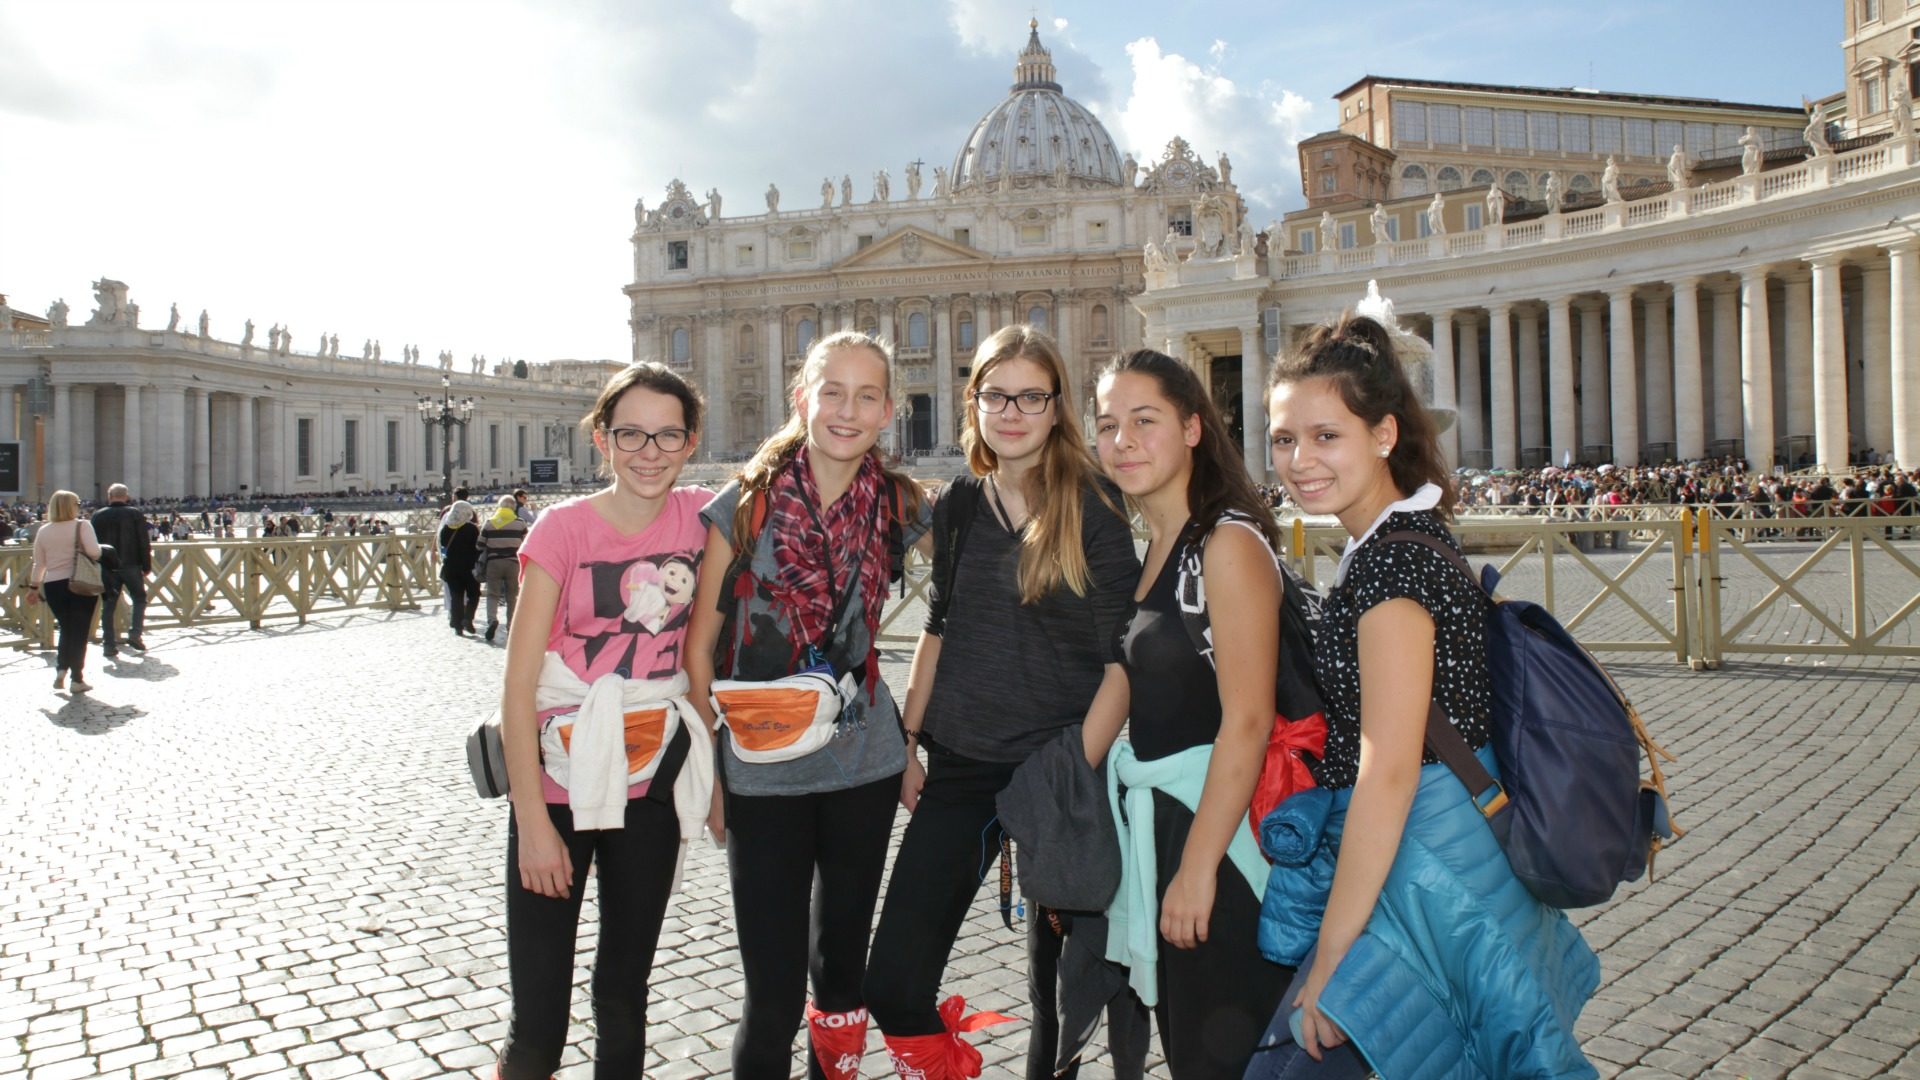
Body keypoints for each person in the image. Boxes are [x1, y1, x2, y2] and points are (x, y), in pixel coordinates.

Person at [1261, 312, 1596, 1076]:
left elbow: (1387, 771)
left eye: (1325, 436)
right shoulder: (1404, 540)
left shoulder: (1388, 570)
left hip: (1421, 866)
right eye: (1284, 439)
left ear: (1383, 434)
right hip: (1441, 851)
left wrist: (1329, 963)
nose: (1298, 460)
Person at [864, 326, 1145, 1079]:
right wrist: (910, 743)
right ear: (974, 402)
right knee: (892, 981)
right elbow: (940, 624)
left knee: (1061, 1002)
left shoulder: (1095, 504)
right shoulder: (957, 503)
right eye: (996, 395)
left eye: (1030, 396)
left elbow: (1126, 657)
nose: (1012, 411)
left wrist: (1068, 768)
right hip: (959, 763)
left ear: (1057, 407)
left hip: (1061, 768)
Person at [686, 330, 930, 1080]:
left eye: (866, 396)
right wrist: (711, 778)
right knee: (771, 998)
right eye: (833, 392)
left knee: (842, 982)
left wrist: (911, 740)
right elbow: (698, 650)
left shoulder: (901, 504)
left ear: (888, 410)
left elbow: (958, 611)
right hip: (761, 768)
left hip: (864, 763)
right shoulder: (745, 506)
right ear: (803, 398)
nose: (847, 411)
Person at [494, 361, 715, 1077]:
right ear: (602, 437)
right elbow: (518, 688)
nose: (649, 453)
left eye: (667, 437)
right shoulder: (562, 530)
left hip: (649, 784)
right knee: (539, 1026)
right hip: (556, 785)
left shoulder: (705, 517)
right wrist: (532, 827)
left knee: (624, 995)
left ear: (690, 442)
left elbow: (805, 479)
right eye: (631, 435)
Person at [1085, 349, 1292, 1079]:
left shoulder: (1227, 543)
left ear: (1194, 429)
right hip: (1173, 829)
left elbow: (1247, 720)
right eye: (1108, 425)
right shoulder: (1159, 546)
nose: (1122, 441)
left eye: (1145, 421)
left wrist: (1197, 869)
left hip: (1225, 846)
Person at [27, 490, 104, 692]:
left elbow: (39, 564)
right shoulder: (82, 525)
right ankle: (77, 678)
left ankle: (62, 668)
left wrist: (34, 587)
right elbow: (95, 553)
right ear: (72, 506)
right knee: (79, 631)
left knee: (66, 628)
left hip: (53, 585)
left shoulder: (44, 531)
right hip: (80, 582)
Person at [91, 483, 152, 657]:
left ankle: (108, 644)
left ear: (109, 496)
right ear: (126, 496)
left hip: (107, 567)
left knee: (108, 606)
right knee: (139, 599)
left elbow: (92, 543)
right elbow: (143, 542)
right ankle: (135, 634)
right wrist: (146, 565)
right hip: (131, 564)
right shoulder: (135, 514)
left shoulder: (98, 515)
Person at [479, 494, 531, 643]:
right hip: (513, 563)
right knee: (512, 596)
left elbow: (480, 545)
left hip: (493, 563)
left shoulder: (489, 523)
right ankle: (511, 625)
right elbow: (527, 544)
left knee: (492, 594)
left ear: (499, 507)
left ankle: (492, 620)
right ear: (514, 507)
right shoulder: (520, 523)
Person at [439, 501, 482, 635]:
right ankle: (468, 618)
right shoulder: (471, 528)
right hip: (469, 568)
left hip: (451, 568)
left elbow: (443, 548)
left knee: (456, 596)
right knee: (474, 595)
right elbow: (478, 548)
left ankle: (457, 624)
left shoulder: (445, 529)